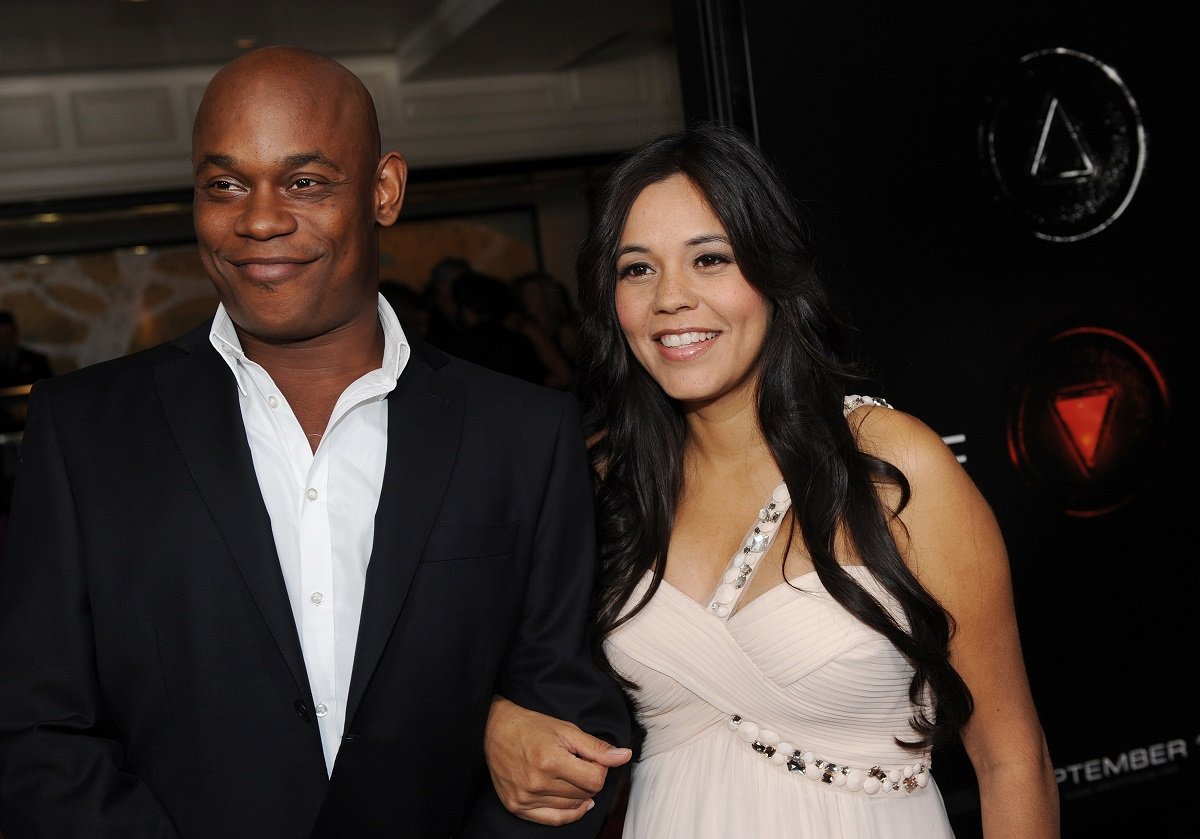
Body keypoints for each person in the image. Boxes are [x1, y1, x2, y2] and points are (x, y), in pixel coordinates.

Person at [0, 45, 631, 839]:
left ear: (384, 190)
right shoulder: (83, 432)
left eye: (304, 182)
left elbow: (566, 711)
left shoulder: (522, 434)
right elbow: (33, 732)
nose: (259, 219)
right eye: (224, 184)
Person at [484, 125, 1059, 837]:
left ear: (773, 272)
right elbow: (476, 659)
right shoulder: (603, 477)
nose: (671, 297)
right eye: (638, 269)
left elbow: (1012, 758)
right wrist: (497, 719)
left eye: (710, 258)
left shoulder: (889, 464)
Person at [0, 310, 53, 389]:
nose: (5, 340)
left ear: (15, 332)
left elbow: (49, 387)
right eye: (2, 337)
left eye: (8, 335)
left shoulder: (36, 360)